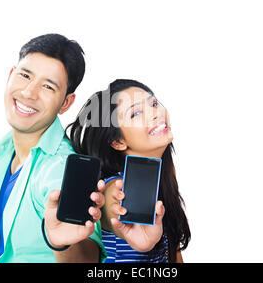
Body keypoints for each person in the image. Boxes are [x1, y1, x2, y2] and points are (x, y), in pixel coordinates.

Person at [0, 34, 106, 263]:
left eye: (48, 86)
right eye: (25, 75)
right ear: (11, 75)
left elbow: (88, 258)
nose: (29, 92)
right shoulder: (0, 159)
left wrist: (62, 243)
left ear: (65, 103)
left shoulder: (60, 170)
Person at [65, 79, 190, 263]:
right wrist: (120, 209)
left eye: (154, 103)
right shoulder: (117, 187)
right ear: (118, 142)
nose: (155, 114)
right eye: (136, 113)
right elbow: (115, 206)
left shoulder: (165, 177)